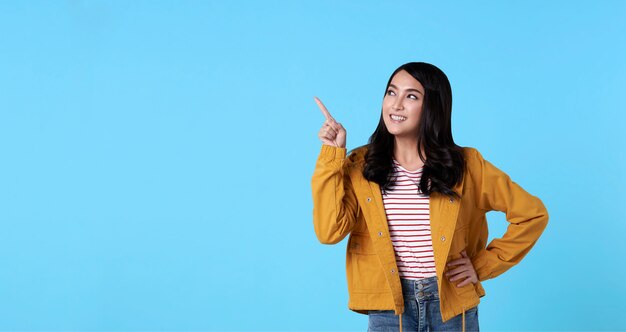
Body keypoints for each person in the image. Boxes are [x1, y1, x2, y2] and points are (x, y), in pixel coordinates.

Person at [310, 62, 549, 332]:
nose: (396, 104)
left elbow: (532, 214)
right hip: (390, 306)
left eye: (411, 96)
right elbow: (329, 231)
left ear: (433, 107)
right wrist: (332, 155)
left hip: (451, 299)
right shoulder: (361, 165)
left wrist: (482, 266)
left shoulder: (467, 165)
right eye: (391, 92)